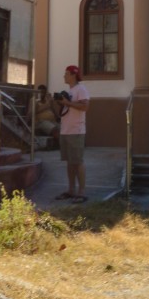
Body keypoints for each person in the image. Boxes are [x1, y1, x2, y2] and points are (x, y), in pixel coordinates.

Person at [54, 65, 90, 203]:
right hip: (66, 130)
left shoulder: (81, 89)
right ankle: (71, 190)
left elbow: (85, 107)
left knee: (78, 162)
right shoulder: (71, 90)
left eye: (66, 74)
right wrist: (62, 103)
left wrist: (67, 103)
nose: (64, 76)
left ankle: (81, 192)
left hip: (76, 131)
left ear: (73, 75)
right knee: (70, 162)